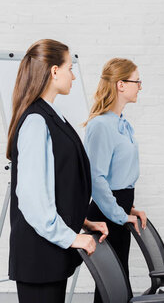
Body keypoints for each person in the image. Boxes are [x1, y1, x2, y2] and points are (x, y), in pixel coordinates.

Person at [6, 39, 107, 303]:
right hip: (39, 257)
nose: (73, 75)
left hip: (49, 255)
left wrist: (82, 222)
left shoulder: (51, 115)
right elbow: (32, 199)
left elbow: (57, 186)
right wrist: (71, 237)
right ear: (54, 71)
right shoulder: (36, 122)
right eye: (69, 67)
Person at [84, 58, 146, 302]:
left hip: (119, 206)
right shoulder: (100, 125)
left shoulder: (122, 124)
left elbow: (117, 175)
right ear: (121, 85)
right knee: (113, 289)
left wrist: (128, 208)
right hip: (107, 216)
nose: (140, 86)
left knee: (118, 286)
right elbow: (96, 178)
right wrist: (120, 214)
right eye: (136, 81)